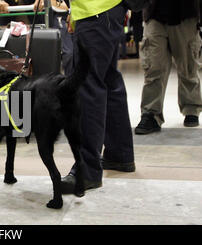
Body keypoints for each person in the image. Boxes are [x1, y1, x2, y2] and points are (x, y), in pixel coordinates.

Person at [61, 0, 136, 194]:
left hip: (94, 11)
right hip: (107, 10)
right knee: (109, 82)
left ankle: (87, 170)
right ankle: (120, 154)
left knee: (87, 87)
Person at [135, 0, 202, 134]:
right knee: (154, 66)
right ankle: (150, 113)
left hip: (186, 14)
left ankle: (191, 109)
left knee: (188, 66)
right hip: (155, 14)